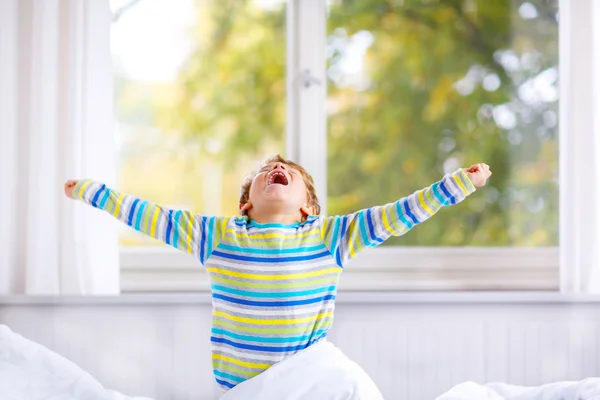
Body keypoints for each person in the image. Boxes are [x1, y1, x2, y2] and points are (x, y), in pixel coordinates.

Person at [64, 155, 491, 393]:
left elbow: (398, 214)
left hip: (310, 377)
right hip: (245, 388)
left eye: (288, 173)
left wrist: (455, 185)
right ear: (245, 203)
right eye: (262, 173)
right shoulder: (218, 235)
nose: (274, 169)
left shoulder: (331, 236)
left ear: (308, 206)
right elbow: (150, 216)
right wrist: (94, 192)